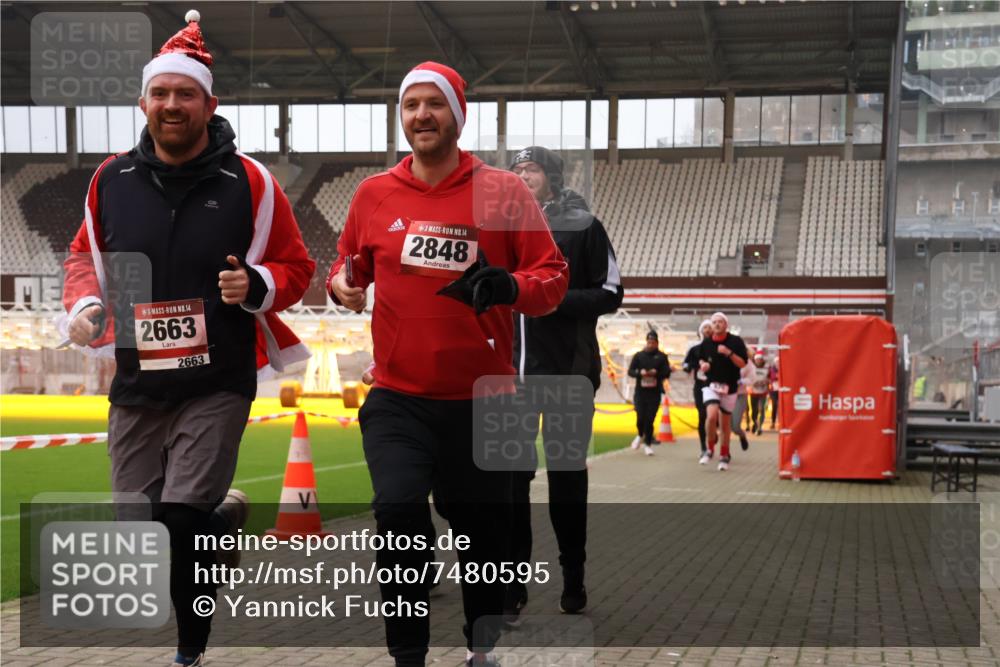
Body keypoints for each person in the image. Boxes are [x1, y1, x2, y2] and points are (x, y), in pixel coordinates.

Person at [61, 12, 315, 667]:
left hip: (216, 381)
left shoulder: (252, 183)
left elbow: (296, 265)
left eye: (186, 93)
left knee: (177, 522)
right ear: (143, 101)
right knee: (141, 536)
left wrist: (255, 284)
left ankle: (189, 651)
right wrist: (87, 302)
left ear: (210, 102)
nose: (172, 105)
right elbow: (83, 256)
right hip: (138, 383)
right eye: (161, 93)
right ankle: (222, 516)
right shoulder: (109, 181)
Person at [326, 61, 568, 667]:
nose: (421, 116)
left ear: (456, 116)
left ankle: (480, 648)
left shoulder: (504, 192)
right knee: (398, 513)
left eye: (434, 105)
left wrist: (509, 287)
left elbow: (553, 278)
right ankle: (407, 653)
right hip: (398, 397)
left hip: (483, 401)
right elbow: (345, 265)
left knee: (481, 537)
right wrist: (341, 286)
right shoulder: (373, 193)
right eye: (411, 106)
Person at [506, 146, 623, 623]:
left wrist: (554, 301)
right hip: (508, 377)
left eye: (530, 169)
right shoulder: (499, 228)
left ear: (550, 176)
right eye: (515, 170)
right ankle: (511, 581)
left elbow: (611, 292)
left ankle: (572, 576)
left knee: (567, 481)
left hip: (568, 374)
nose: (522, 176)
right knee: (509, 483)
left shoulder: (584, 226)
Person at [697, 312, 748, 471]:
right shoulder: (706, 343)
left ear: (726, 325)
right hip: (711, 385)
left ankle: (724, 455)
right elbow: (701, 358)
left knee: (725, 424)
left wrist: (729, 353)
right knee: (711, 416)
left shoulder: (736, 341)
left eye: (720, 322)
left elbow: (742, 364)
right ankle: (709, 449)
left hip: (730, 387)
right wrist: (703, 364)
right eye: (714, 322)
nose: (717, 324)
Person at [628, 331, 672, 456]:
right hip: (640, 392)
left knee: (650, 419)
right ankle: (640, 434)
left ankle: (647, 444)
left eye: (653, 342)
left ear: (657, 343)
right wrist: (639, 373)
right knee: (640, 417)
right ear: (646, 342)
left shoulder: (662, 357)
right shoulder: (639, 356)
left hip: (654, 392)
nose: (651, 344)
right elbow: (630, 371)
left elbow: (667, 372)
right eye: (649, 342)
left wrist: (656, 373)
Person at [682, 319, 714, 457]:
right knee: (702, 416)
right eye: (705, 327)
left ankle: (712, 437)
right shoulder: (694, 350)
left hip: (715, 387)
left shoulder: (718, 348)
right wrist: (688, 367)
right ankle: (703, 447)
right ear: (701, 331)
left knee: (713, 418)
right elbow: (685, 364)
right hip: (700, 386)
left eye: (709, 327)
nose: (707, 330)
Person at [730, 360, 752, 451]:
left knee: (735, 426)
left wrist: (741, 381)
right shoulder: (722, 356)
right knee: (726, 427)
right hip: (724, 394)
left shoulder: (746, 361)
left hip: (740, 395)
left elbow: (752, 378)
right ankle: (725, 452)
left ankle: (742, 435)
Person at [748, 352, 770, 436]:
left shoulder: (766, 369)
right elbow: (747, 378)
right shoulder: (751, 368)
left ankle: (759, 427)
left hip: (763, 392)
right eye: (757, 359)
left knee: (762, 409)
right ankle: (755, 423)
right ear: (754, 360)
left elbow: (770, 378)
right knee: (754, 411)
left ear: (762, 360)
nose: (758, 361)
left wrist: (767, 382)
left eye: (760, 359)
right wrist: (752, 382)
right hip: (753, 392)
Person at [768, 356, 780, 430]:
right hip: (773, 390)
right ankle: (773, 422)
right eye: (777, 362)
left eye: (779, 362)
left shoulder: (783, 368)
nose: (778, 363)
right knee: (774, 405)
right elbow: (768, 378)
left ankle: (780, 422)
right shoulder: (771, 369)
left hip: (782, 390)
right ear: (775, 363)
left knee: (781, 406)